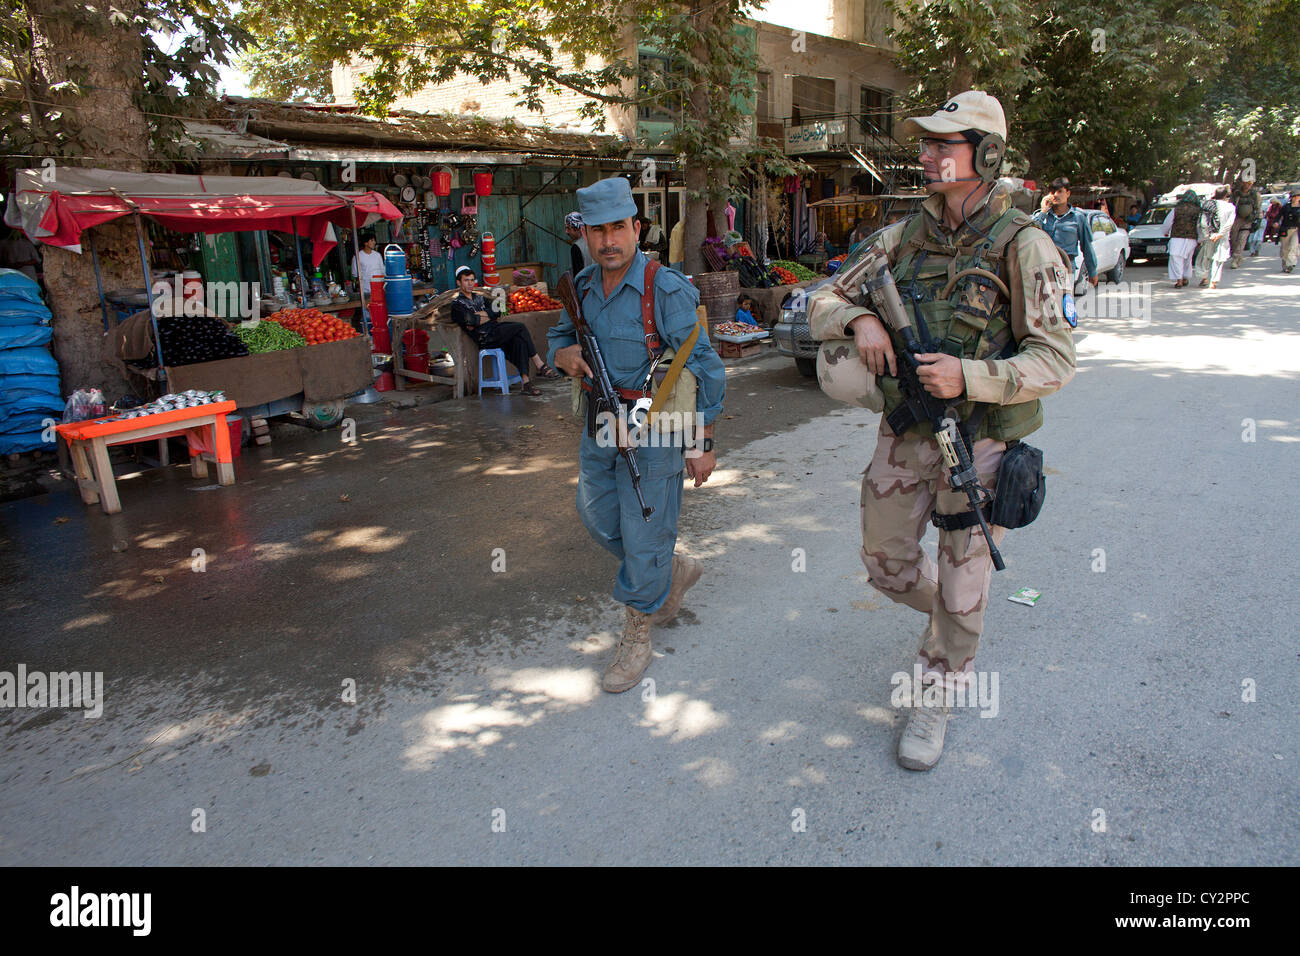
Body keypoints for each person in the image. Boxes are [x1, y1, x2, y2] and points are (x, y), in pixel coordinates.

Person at [805, 90, 1076, 771]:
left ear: (985, 155)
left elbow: (1056, 360)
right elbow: (820, 299)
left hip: (980, 444)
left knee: (963, 581)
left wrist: (971, 378)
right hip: (906, 436)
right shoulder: (902, 238)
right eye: (925, 143)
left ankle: (938, 689)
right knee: (887, 566)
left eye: (942, 145)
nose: (926, 155)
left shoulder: (1026, 244)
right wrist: (858, 320)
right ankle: (954, 619)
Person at [547, 176, 726, 693]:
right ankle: (666, 570)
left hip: (658, 427)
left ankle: (638, 631)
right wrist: (563, 355)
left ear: (636, 227)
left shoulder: (664, 287)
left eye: (618, 228)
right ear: (584, 235)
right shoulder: (579, 288)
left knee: (644, 529)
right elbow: (561, 337)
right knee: (596, 513)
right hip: (601, 422)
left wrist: (702, 442)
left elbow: (706, 365)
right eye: (597, 231)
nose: (608, 241)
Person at [450, 266, 558, 396]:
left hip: (496, 330)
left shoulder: (480, 298)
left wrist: (481, 316)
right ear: (458, 282)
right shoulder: (457, 304)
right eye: (466, 280)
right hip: (484, 337)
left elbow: (497, 311)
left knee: (519, 341)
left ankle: (526, 383)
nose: (470, 283)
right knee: (520, 327)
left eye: (472, 280)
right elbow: (471, 322)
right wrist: (484, 316)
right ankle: (540, 365)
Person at [1032, 177, 1099, 290]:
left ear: (1068, 193)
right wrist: (1043, 211)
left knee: (1065, 304)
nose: (1056, 195)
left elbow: (1087, 247)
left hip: (1066, 268)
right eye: (1052, 192)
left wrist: (1092, 271)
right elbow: (1031, 232)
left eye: (1060, 191)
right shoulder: (1042, 216)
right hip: (1043, 268)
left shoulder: (1078, 217)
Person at [1194, 186, 1236, 288]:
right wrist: (1221, 233)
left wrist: (1205, 235)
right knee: (1219, 259)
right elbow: (1230, 223)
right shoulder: (1230, 207)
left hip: (1209, 236)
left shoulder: (1207, 205)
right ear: (1226, 195)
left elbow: (1202, 222)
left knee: (1206, 257)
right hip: (1222, 237)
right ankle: (1213, 281)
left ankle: (1204, 278)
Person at [1161, 190, 1202, 287]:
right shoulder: (1198, 210)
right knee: (1187, 259)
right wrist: (1200, 238)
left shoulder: (1177, 209)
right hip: (1192, 238)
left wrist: (1165, 232)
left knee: (1176, 258)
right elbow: (1200, 225)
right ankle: (1185, 277)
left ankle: (1179, 280)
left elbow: (1168, 222)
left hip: (1177, 237)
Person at [1228, 176, 1262, 268]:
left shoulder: (1255, 195)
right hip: (1236, 219)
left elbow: (1258, 208)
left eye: (1249, 184)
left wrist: (1258, 219)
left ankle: (1236, 258)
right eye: (1246, 183)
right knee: (1233, 238)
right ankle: (1235, 255)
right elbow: (1230, 206)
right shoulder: (1236, 194)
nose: (1247, 185)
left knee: (1242, 239)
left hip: (1248, 220)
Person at [1278, 193, 1300, 273]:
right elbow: (1279, 216)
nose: (1296, 198)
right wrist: (1276, 222)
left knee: (1293, 247)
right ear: (1291, 198)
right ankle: (1285, 264)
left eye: (1298, 196)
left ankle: (1291, 264)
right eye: (1294, 196)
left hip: (1297, 230)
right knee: (1285, 248)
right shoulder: (1286, 207)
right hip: (1286, 229)